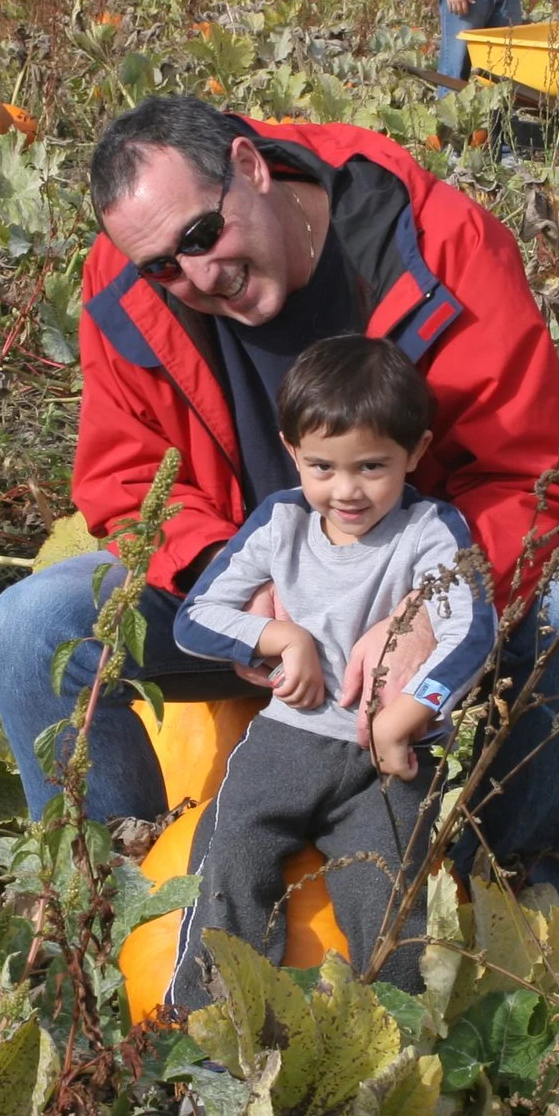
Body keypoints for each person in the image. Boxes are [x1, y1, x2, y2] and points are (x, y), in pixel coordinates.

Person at [0, 95, 559, 890]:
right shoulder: (127, 282)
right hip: (256, 597)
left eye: (202, 236)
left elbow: (531, 477)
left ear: (251, 168)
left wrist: (431, 604)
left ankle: (499, 897)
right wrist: (231, 585)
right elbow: (128, 482)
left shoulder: (434, 245)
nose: (196, 276)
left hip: (414, 577)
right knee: (29, 627)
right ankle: (112, 905)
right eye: (163, 265)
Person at [165, 336, 490, 1008]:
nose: (346, 490)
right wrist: (281, 637)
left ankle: (394, 1047)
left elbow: (470, 632)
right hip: (288, 740)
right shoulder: (280, 524)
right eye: (322, 466)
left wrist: (411, 710)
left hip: (387, 758)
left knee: (390, 895)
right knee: (232, 848)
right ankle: (213, 1034)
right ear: (292, 453)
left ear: (416, 453)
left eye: (372, 466)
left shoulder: (431, 530)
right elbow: (196, 619)